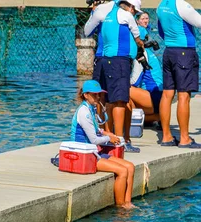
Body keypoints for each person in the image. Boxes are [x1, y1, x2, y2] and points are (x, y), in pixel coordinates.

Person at [84, 0, 146, 153]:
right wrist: (141, 46)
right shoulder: (125, 15)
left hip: (101, 60)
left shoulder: (100, 11)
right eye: (135, 11)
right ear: (130, 7)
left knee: (102, 99)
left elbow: (86, 31)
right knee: (119, 101)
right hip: (119, 61)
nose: (134, 14)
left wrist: (93, 12)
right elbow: (138, 40)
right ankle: (119, 141)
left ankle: (105, 136)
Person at [72, 80, 137, 209]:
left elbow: (95, 130)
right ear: (86, 95)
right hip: (85, 154)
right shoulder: (83, 112)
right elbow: (94, 140)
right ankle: (120, 207)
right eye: (95, 95)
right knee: (122, 171)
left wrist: (106, 132)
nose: (98, 97)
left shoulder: (90, 109)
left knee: (130, 167)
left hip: (94, 152)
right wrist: (109, 138)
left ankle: (128, 203)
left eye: (99, 95)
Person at [157, 0, 201, 148]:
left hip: (169, 51)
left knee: (167, 94)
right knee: (184, 96)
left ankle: (166, 137)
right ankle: (184, 138)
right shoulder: (182, 5)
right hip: (184, 52)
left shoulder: (161, 6)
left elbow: (161, 31)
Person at [130, 17, 163, 124]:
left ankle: (155, 117)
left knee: (120, 88)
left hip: (152, 99)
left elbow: (135, 81)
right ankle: (155, 116)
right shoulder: (149, 52)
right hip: (159, 97)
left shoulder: (141, 54)